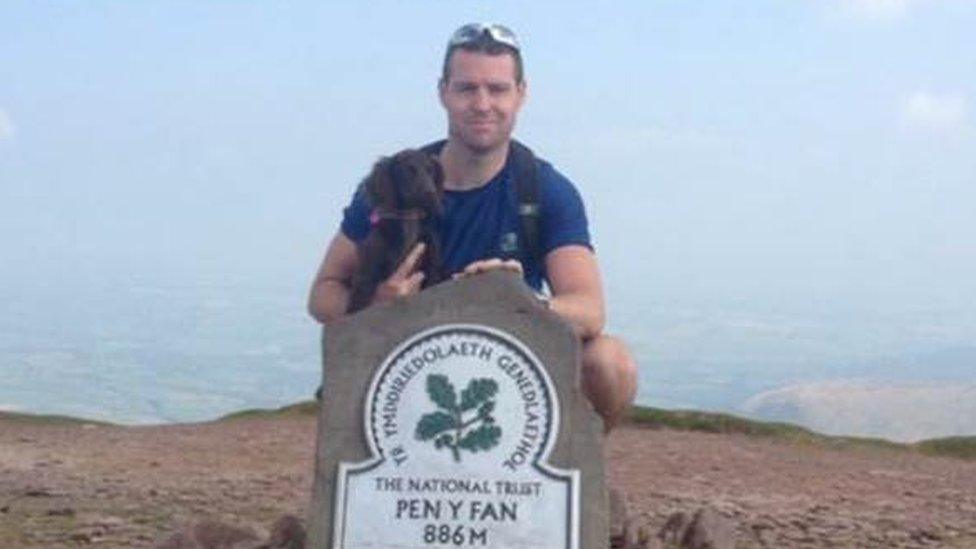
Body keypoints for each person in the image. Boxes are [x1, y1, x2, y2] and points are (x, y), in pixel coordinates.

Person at [307, 23, 637, 431]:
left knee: (610, 362)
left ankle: (572, 482)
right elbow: (322, 295)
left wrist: (515, 300)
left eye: (497, 89)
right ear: (443, 91)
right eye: (466, 88)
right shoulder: (393, 183)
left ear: (521, 94)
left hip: (510, 371)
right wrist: (379, 304)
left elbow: (589, 311)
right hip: (403, 366)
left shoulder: (545, 190)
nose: (482, 104)